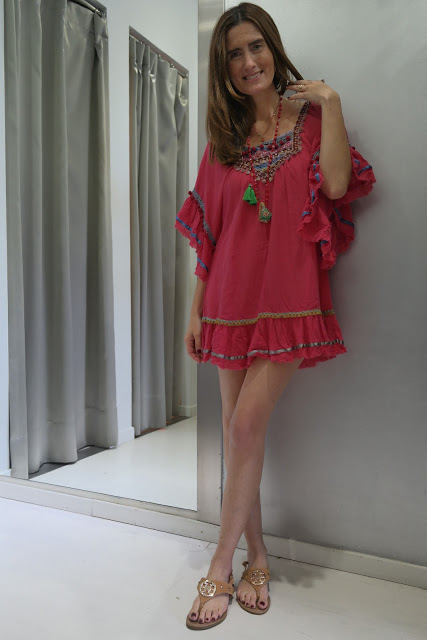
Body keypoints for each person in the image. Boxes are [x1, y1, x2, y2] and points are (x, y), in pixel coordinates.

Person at [175, 2, 376, 631]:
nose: (247, 62)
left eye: (255, 46)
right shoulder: (223, 138)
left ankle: (220, 563)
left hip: (289, 301)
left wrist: (333, 104)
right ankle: (257, 556)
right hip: (228, 303)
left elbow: (337, 187)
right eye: (233, 54)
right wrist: (194, 312)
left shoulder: (312, 121)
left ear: (273, 47)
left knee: (243, 428)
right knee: (240, 433)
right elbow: (210, 236)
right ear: (224, 67)